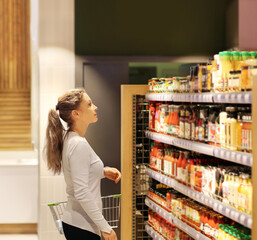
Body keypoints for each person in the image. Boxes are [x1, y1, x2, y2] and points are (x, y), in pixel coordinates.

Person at [44, 88, 121, 240]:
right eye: (90, 104)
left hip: (78, 224)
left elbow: (78, 172)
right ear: (76, 114)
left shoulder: (71, 138)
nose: (95, 107)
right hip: (82, 226)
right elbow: (81, 191)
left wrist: (102, 171)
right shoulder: (78, 144)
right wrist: (105, 227)